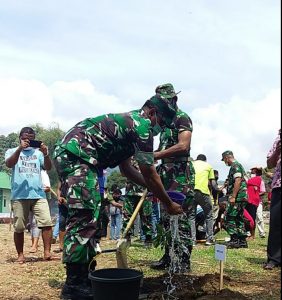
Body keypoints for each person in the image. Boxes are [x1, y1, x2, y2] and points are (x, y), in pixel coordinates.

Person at [53, 93, 183, 300]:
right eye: (162, 121)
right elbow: (149, 172)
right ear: (151, 112)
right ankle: (73, 286)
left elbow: (127, 171)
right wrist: (167, 202)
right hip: (78, 156)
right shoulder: (141, 126)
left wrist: (154, 190)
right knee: (84, 219)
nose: (161, 128)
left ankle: (85, 277)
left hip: (82, 159)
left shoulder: (132, 128)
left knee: (93, 218)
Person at [150, 83, 195, 273]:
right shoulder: (164, 121)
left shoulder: (182, 118)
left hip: (180, 172)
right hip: (165, 172)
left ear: (174, 99)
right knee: (166, 216)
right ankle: (168, 256)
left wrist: (155, 156)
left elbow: (183, 146)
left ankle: (183, 260)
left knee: (181, 214)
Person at [5, 127, 53, 263]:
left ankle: (47, 253)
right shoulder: (11, 151)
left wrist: (46, 154)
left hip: (38, 194)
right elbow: (9, 164)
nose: (28, 141)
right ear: (20, 138)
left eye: (31, 139)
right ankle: (20, 255)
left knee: (47, 223)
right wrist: (19, 149)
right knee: (19, 226)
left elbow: (48, 167)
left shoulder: (38, 153)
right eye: (26, 139)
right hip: (19, 195)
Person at [221, 150, 248, 249]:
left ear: (227, 157)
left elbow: (238, 180)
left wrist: (233, 196)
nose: (225, 162)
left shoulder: (235, 166)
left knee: (230, 216)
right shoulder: (237, 165)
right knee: (238, 218)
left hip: (238, 197)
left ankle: (234, 239)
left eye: (224, 160)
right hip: (241, 196)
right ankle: (242, 241)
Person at [122, 158, 152, 246]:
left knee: (146, 216)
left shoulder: (145, 155)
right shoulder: (127, 155)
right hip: (130, 192)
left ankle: (148, 239)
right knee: (127, 215)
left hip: (144, 191)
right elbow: (123, 173)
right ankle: (126, 238)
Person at [189, 154, 216, 246]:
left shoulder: (191, 164)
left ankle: (192, 240)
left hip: (191, 192)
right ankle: (209, 239)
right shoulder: (208, 166)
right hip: (203, 192)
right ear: (205, 160)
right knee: (209, 215)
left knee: (191, 216)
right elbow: (213, 183)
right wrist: (218, 190)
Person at [263, 129, 281, 270]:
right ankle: (274, 258)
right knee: (276, 223)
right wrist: (277, 151)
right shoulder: (277, 141)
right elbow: (269, 164)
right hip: (279, 186)